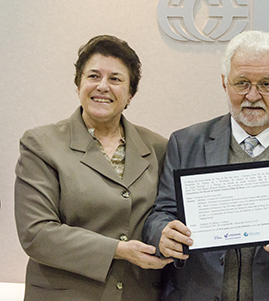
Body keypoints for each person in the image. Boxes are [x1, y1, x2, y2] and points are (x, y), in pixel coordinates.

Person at [143, 31, 269, 301]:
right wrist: (163, 233)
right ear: (224, 83)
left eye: (266, 84)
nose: (252, 95)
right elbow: (161, 213)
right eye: (242, 83)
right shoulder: (185, 143)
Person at [15, 35, 171, 301]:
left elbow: (167, 215)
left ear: (130, 94)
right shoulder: (41, 144)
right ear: (78, 85)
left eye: (115, 79)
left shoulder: (159, 147)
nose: (102, 86)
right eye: (93, 76)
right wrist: (120, 250)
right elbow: (37, 234)